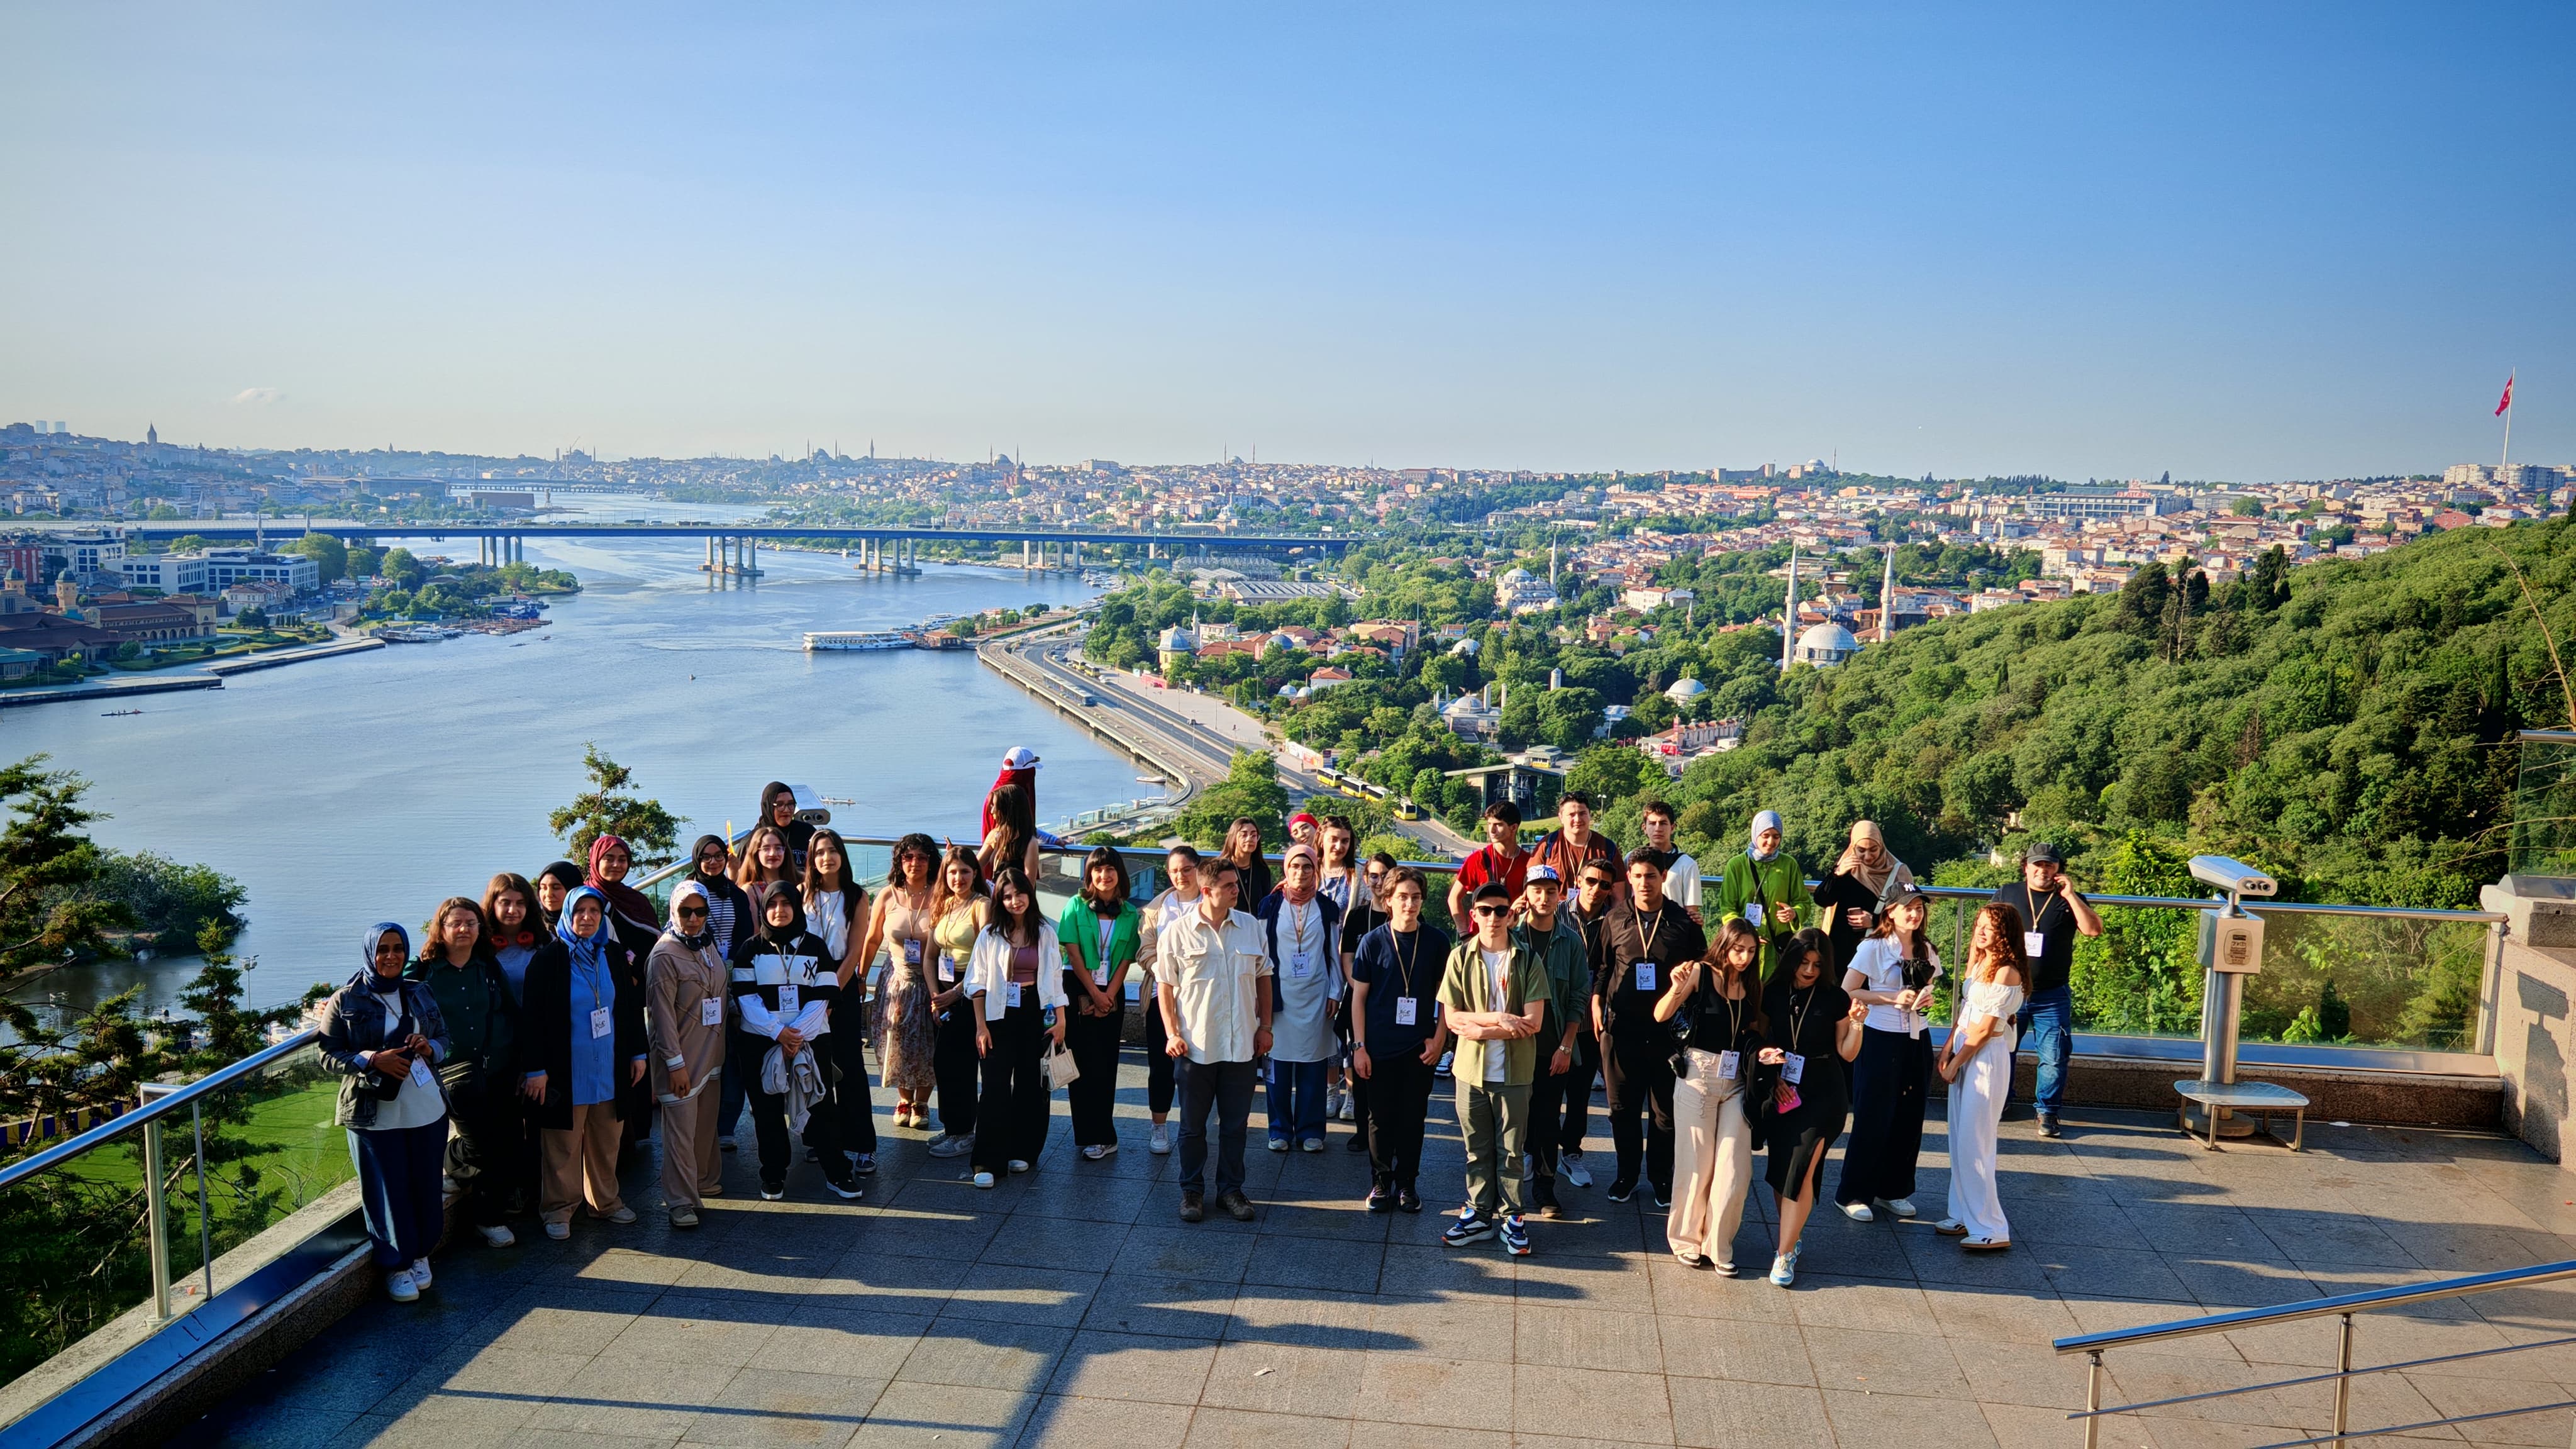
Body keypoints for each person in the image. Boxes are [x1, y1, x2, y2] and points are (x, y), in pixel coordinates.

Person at [321, 923, 453, 1301]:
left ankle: (421, 1254)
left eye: (398, 948)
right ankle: (396, 1264)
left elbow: (445, 1039)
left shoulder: (420, 991)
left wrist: (429, 1047)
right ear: (369, 953)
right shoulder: (346, 999)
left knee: (425, 1183)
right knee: (385, 1190)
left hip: (425, 1107)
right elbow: (328, 1056)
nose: (391, 956)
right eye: (382, 949)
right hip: (372, 1112)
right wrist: (371, 1060)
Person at [522, 886, 645, 1240]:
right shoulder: (549, 959)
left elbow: (629, 1009)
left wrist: (638, 1053)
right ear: (567, 915)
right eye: (580, 911)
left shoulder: (613, 953)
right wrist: (536, 1069)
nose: (587, 918)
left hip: (608, 1065)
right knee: (562, 1145)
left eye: (594, 911)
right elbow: (532, 1020)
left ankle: (605, 1201)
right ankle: (559, 1209)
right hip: (566, 1071)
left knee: (607, 1140)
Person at [1154, 857, 1272, 1223]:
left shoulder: (1250, 927)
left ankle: (1230, 1190)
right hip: (1196, 1046)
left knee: (1236, 1126)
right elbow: (1165, 986)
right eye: (1229, 886)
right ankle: (1192, 1191)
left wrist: (1266, 1027)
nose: (1237, 890)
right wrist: (1172, 1033)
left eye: (1236, 884)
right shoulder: (1178, 932)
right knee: (1193, 1127)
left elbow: (1264, 977)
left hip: (1241, 1045)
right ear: (1207, 891)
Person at [1439, 882, 1550, 1257]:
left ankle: (1512, 1216)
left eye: (1501, 910)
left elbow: (1533, 1022)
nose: (1493, 917)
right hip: (1470, 1071)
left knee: (1512, 1151)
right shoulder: (1460, 957)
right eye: (1485, 911)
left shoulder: (1528, 959)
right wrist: (1500, 1019)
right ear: (1473, 915)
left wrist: (1480, 1029)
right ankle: (1479, 1213)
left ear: (1511, 914)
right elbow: (1452, 1018)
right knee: (1476, 1148)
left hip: (1515, 1072)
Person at [1592, 848, 1706, 1206]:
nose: (1644, 883)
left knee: (1665, 1114)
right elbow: (1603, 968)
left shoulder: (1682, 921)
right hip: (1621, 1029)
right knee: (1622, 1110)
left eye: (1651, 876)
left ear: (1663, 877)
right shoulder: (1614, 918)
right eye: (1638, 876)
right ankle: (1626, 1175)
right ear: (1629, 877)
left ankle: (1661, 1177)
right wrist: (1596, 1001)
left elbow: (1702, 968)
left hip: (1667, 1033)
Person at [735, 883, 862, 1201]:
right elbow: (746, 999)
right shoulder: (750, 950)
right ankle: (773, 1173)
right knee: (767, 1111)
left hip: (811, 1039)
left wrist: (795, 1034)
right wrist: (778, 1032)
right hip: (762, 1042)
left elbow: (824, 995)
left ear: (796, 906)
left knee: (822, 1106)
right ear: (764, 909)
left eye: (786, 903)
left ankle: (837, 1173)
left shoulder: (816, 946)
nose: (779, 910)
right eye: (772, 904)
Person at [406, 896, 521, 1248]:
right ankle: (485, 1212)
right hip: (449, 1074)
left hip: (496, 1069)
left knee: (503, 1141)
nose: (463, 929)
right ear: (440, 929)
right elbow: (384, 990)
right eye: (455, 923)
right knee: (483, 1145)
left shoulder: (487, 966)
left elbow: (511, 1011)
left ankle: (484, 1207)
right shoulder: (424, 971)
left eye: (471, 923)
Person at [1757, 929, 1867, 1286]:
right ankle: (1792, 1234)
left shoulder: (1835, 997)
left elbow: (1847, 1052)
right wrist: (1771, 1074)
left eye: (1818, 965)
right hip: (1782, 1088)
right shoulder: (1772, 991)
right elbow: (1758, 1038)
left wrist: (1858, 1023)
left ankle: (1784, 1253)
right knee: (1781, 1170)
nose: (1809, 970)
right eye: (1803, 962)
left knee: (1801, 1168)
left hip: (1824, 1091)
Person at [1657, 919, 1766, 1274]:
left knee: (1735, 1167)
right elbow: (1661, 1014)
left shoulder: (1751, 984)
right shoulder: (1700, 973)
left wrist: (1763, 1053)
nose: (1745, 957)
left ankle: (1719, 1246)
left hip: (1736, 1079)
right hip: (1699, 1073)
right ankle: (1686, 1240)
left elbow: (1753, 1030)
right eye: (1739, 949)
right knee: (1695, 1163)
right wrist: (1676, 988)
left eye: (1751, 951)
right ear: (1725, 945)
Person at [1835, 888, 1941, 1223]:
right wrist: (1890, 998)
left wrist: (1925, 998)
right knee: (1873, 1115)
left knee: (1910, 1116)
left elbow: (1929, 987)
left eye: (1919, 908)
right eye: (1908, 908)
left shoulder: (1926, 949)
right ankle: (1853, 1193)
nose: (1915, 914)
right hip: (1881, 1036)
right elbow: (1847, 990)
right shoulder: (1873, 947)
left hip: (1917, 1035)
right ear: (1890, 912)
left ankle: (1893, 1189)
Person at [1349, 866, 1448, 1214]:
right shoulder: (1372, 942)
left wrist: (1439, 1039)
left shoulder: (1437, 941)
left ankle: (1407, 1184)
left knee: (1413, 1118)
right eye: (1403, 897)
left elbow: (1447, 997)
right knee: (1379, 1118)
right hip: (1378, 1046)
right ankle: (1381, 1181)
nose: (1410, 904)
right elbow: (1358, 999)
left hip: (1420, 1047)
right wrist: (1359, 1047)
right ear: (1388, 900)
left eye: (1416, 897)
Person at [967, 865, 1068, 1189]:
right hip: (998, 1014)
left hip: (1036, 1011)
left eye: (1020, 894)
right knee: (994, 1086)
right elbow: (976, 983)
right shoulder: (990, 934)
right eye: (1008, 896)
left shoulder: (1045, 932)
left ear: (1029, 894)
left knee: (1031, 1084)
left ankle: (1024, 1149)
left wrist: (1061, 1020)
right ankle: (988, 1160)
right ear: (1000, 900)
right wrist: (980, 1026)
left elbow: (1055, 979)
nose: (1015, 901)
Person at [1991, 841, 2101, 1138]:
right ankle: (2001, 1101)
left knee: (2054, 1056)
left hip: (2052, 993)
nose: (2043, 870)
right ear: (2026, 867)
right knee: (2003, 1050)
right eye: (2037, 865)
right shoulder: (2008, 893)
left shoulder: (2070, 899)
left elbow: (2093, 930)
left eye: (2049, 865)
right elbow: (1985, 932)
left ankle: (2047, 1112)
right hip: (2010, 991)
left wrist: (2071, 895)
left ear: (2058, 870)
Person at [1937, 904, 2027, 1252]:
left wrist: (1956, 1063)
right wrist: (1947, 1049)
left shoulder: (2007, 972)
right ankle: (1963, 1213)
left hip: (1986, 1058)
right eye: (1979, 924)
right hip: (1966, 1051)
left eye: (1990, 927)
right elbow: (1966, 1013)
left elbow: (1987, 1029)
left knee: (1976, 1142)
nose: (1981, 931)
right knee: (1960, 1137)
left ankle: (1991, 1226)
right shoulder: (1979, 963)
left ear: (2006, 933)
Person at [647, 881, 729, 1228]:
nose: (694, 919)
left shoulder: (707, 944)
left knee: (705, 1125)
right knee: (680, 1132)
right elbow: (661, 1016)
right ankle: (680, 1202)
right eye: (686, 911)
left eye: (700, 911)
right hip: (681, 1057)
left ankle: (703, 1180)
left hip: (711, 1053)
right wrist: (674, 1064)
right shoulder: (665, 955)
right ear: (673, 911)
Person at [1513, 865, 1589, 1219]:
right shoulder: (1512, 935)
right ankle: (1506, 1188)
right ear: (1526, 894)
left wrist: (1566, 1046)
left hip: (1552, 1046)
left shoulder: (1570, 941)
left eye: (1550, 891)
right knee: (1512, 1117)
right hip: (1514, 1045)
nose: (1543, 898)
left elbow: (1578, 996)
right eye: (1537, 890)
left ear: (1561, 895)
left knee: (1547, 1118)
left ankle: (1545, 1189)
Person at [1257, 843, 1343, 1153]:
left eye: (1307, 867)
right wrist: (1259, 996)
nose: (1301, 872)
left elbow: (1333, 953)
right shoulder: (1270, 905)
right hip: (1279, 996)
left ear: (1315, 870)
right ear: (1286, 869)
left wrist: (1335, 992)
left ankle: (1311, 1130)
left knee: (1313, 1066)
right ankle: (1279, 1129)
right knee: (1277, 1068)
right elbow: (1260, 954)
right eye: (1295, 866)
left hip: (1316, 995)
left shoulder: (1326, 907)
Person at [584, 834, 662, 1166]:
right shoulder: (588, 899)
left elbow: (653, 943)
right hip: (601, 995)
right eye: (609, 859)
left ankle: (636, 1133)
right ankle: (612, 1144)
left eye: (622, 859)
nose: (616, 865)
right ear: (596, 861)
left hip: (635, 994)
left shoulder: (635, 900)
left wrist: (636, 972)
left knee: (635, 1057)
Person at [1057, 847, 1139, 1160]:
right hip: (1077, 986)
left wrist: (1108, 995)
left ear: (1120, 874)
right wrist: (1094, 992)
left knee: (1105, 1064)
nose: (1104, 876)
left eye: (1110, 870)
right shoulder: (1075, 905)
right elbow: (1072, 952)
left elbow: (1126, 959)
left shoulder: (1130, 913)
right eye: (1098, 870)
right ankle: (1086, 1134)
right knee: (1080, 1063)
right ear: (1089, 875)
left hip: (1112, 990)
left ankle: (1105, 1136)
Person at [805, 828, 877, 1177]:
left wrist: (832, 993)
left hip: (841, 982)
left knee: (849, 1065)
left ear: (842, 856)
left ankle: (862, 1144)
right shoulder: (803, 893)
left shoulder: (856, 896)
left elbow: (854, 950)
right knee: (815, 1064)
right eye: (820, 852)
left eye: (833, 851)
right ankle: (822, 1139)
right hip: (806, 982)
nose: (826, 858)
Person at [682, 833, 758, 1152]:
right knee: (702, 1049)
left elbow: (746, 936)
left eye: (718, 856)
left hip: (733, 979)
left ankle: (726, 1124)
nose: (713, 862)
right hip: (698, 981)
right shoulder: (687, 893)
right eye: (706, 857)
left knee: (732, 1054)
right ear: (697, 859)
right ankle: (699, 1119)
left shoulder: (736, 894)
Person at [862, 833, 943, 1130]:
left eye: (922, 857)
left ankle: (922, 1102)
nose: (915, 863)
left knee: (927, 1042)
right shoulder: (887, 895)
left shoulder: (941, 894)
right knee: (896, 1039)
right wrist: (862, 976)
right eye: (908, 857)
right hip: (895, 979)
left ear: (931, 862)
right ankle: (904, 1098)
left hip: (930, 979)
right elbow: (872, 939)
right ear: (899, 861)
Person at [1136, 844, 1207, 1155]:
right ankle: (1159, 1126)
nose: (1181, 876)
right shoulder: (1156, 909)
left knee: (1199, 1068)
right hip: (1161, 995)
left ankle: (1195, 1126)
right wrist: (1164, 973)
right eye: (1175, 871)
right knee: (1161, 1066)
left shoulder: (1211, 902)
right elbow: (1144, 950)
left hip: (1202, 997)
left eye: (1187, 869)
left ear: (1198, 869)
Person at [1556, 860, 1620, 1189]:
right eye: (1591, 881)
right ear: (1579, 880)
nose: (1596, 889)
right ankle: (1536, 1150)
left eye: (1605, 884)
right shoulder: (1557, 913)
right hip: (1556, 1014)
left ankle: (1571, 1151)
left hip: (1592, 1018)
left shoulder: (1615, 920)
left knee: (1580, 1094)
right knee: (1546, 1092)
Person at [926, 845, 991, 1158]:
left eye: (965, 871)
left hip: (971, 989)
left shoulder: (982, 906)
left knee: (962, 1064)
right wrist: (935, 996)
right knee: (944, 1062)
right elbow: (930, 956)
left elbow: (986, 958)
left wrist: (956, 993)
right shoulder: (943, 904)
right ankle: (953, 1126)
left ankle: (965, 1132)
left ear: (975, 873)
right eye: (952, 872)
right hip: (943, 989)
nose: (958, 878)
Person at [1336, 849, 1399, 1155]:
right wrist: (1361, 989)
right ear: (1365, 878)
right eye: (1373, 875)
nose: (1378, 881)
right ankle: (1364, 1131)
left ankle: (1391, 1132)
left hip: (1393, 1003)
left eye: (1384, 875)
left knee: (1392, 1069)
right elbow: (1347, 958)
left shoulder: (1403, 914)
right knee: (1360, 1065)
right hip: (1359, 1001)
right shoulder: (1357, 916)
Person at [1711, 810, 1811, 982]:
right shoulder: (1737, 865)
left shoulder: (1789, 864)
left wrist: (1794, 913)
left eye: (1776, 837)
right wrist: (1744, 936)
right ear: (1755, 834)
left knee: (1774, 993)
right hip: (1743, 950)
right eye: (1765, 835)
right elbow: (1727, 908)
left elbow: (1803, 902)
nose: (1771, 842)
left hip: (1777, 947)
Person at [1811, 820, 1914, 976]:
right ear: (1853, 846)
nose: (1868, 856)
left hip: (1879, 950)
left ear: (1881, 845)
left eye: (1873, 850)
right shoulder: (1847, 865)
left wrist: (1874, 921)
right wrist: (1837, 874)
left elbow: (1908, 915)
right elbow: (1822, 900)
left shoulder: (1898, 872)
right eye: (1861, 850)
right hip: (1841, 950)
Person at [1316, 816, 1363, 1124]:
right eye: (1334, 839)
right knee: (1325, 1027)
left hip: (1347, 959)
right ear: (1322, 839)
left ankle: (1351, 1093)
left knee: (1348, 1027)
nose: (1339, 846)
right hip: (1315, 959)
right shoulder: (1310, 869)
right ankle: (1330, 1089)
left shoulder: (1355, 874)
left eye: (1345, 840)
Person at [1448, 800, 1530, 928]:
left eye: (1498, 825)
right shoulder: (1478, 859)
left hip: (1515, 933)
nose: (1491, 830)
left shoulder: (1528, 862)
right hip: (1480, 934)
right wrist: (1464, 933)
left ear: (1513, 828)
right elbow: (1454, 898)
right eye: (1489, 824)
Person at [1530, 792, 1620, 903]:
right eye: (1571, 815)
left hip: (1598, 912)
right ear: (1561, 818)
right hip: (1555, 911)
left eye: (1582, 814)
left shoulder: (1607, 847)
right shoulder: (1547, 844)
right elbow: (1532, 887)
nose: (1577, 819)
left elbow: (1619, 896)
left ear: (1590, 815)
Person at [482, 874, 542, 1006]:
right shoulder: (478, 945)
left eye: (520, 903)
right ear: (492, 904)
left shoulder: (545, 943)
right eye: (505, 903)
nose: (512, 910)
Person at [979, 783, 1041, 885]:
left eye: (995, 806)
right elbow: (976, 865)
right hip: (997, 891)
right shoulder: (995, 835)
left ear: (1007, 809)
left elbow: (1029, 882)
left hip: (1016, 893)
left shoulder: (1029, 842)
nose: (992, 811)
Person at [753, 781, 816, 872]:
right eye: (780, 805)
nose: (786, 810)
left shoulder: (807, 832)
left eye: (791, 804)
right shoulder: (756, 838)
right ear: (768, 806)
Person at [732, 824, 796, 911]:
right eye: (766, 849)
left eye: (778, 848)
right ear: (756, 853)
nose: (773, 854)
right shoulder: (751, 891)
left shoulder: (800, 882)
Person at [982, 746, 1040, 840]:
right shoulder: (1009, 798)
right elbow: (1018, 831)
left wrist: (1052, 839)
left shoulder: (995, 794)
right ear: (1027, 773)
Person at [1219, 817, 1273, 913]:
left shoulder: (1262, 869)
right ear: (1234, 838)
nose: (1249, 839)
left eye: (1254, 835)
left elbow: (1266, 903)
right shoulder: (1222, 868)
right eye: (1244, 835)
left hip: (1257, 921)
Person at [532, 861, 584, 935]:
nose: (549, 894)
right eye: (543, 888)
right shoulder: (533, 925)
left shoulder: (589, 923)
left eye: (556, 888)